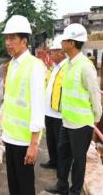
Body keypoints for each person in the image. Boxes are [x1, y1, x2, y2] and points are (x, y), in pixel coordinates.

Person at [45, 23, 102, 195]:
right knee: (63, 155)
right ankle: (62, 186)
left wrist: (96, 119)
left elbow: (94, 93)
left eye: (64, 40)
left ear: (72, 43)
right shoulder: (69, 64)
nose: (61, 43)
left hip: (81, 124)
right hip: (67, 121)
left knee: (79, 160)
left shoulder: (85, 66)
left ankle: (75, 190)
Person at [1, 15, 45, 195]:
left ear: (24, 41)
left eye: (12, 38)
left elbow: (37, 106)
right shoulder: (12, 64)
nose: (8, 42)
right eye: (6, 38)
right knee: (13, 185)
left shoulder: (34, 66)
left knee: (25, 187)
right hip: (10, 137)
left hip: (24, 140)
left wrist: (34, 144)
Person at [40, 36, 67, 169]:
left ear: (61, 52)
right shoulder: (53, 67)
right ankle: (53, 161)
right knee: (50, 139)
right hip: (48, 111)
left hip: (59, 113)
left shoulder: (67, 68)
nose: (50, 54)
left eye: (52, 52)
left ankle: (61, 166)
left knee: (60, 142)